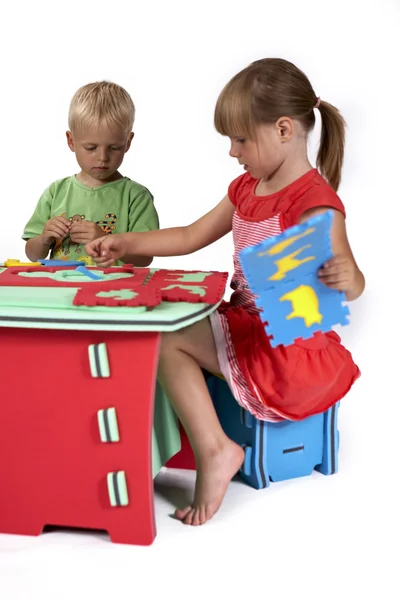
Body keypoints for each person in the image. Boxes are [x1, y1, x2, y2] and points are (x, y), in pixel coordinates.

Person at [85, 58, 365, 526]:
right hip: (247, 325)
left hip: (284, 350)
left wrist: (345, 277)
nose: (234, 152)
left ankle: (216, 449)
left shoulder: (313, 203)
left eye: (240, 139)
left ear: (282, 129)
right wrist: (126, 243)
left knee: (166, 337)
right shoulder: (246, 187)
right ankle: (198, 443)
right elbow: (191, 234)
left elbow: (353, 285)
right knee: (165, 322)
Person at [23, 81, 158, 266]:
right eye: (91, 147)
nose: (102, 157)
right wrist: (44, 239)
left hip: (114, 288)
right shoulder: (56, 192)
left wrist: (105, 239)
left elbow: (144, 258)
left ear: (128, 142)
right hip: (61, 287)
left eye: (114, 147)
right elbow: (32, 255)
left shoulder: (135, 197)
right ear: (71, 141)